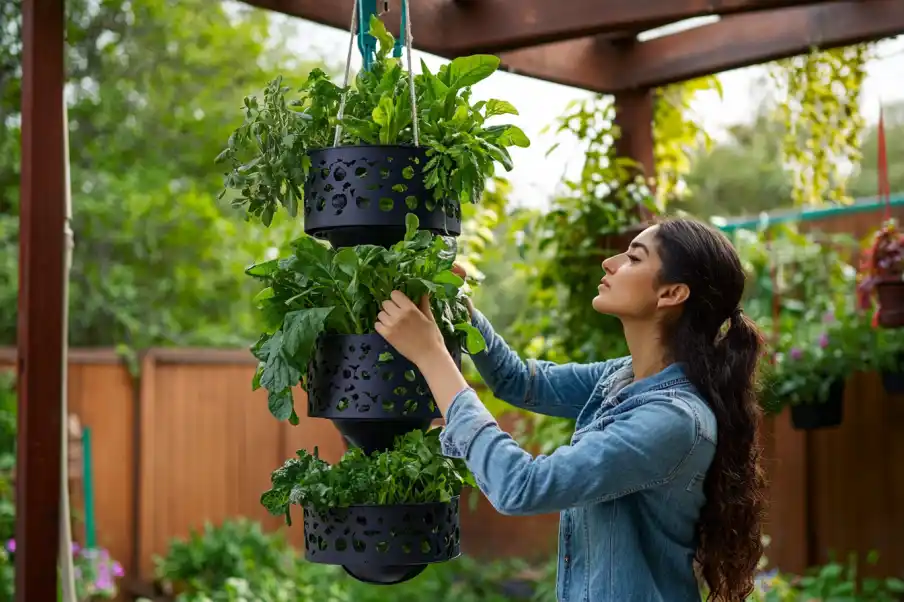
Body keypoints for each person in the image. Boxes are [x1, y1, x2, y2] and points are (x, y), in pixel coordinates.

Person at [375, 218, 767, 602]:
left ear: (671, 294)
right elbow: (520, 382)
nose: (609, 263)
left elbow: (521, 487)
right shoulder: (622, 376)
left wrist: (431, 356)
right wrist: (459, 310)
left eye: (633, 258)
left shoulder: (673, 420)